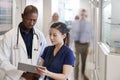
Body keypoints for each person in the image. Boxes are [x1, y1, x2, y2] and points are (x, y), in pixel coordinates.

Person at [0, 5, 46, 80]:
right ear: (22, 16)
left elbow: (43, 57)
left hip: (34, 77)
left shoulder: (40, 36)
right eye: (29, 19)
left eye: (34, 20)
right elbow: (2, 60)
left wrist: (38, 73)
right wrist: (22, 74)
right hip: (14, 78)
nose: (31, 23)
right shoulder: (9, 36)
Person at [70, 9, 94, 80]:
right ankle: (75, 78)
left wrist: (91, 47)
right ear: (79, 15)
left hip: (86, 45)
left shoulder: (89, 24)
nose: (83, 16)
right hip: (77, 45)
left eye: (84, 15)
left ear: (86, 16)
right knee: (76, 63)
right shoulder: (75, 23)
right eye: (81, 15)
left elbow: (92, 36)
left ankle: (83, 74)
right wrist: (69, 47)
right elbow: (72, 35)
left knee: (84, 62)